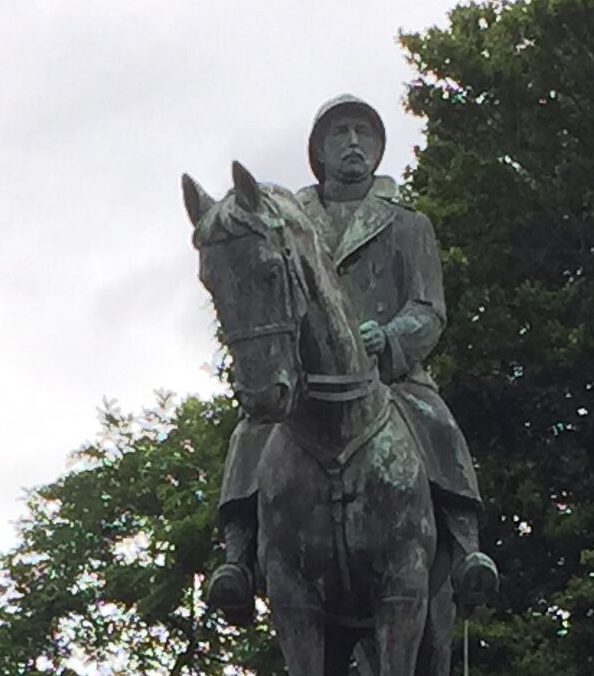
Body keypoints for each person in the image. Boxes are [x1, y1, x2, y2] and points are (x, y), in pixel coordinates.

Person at [207, 95, 499, 620]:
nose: (353, 144)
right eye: (340, 134)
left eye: (363, 134)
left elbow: (428, 308)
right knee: (252, 430)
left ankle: (465, 546)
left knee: (438, 424)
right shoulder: (290, 222)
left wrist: (388, 338)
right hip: (307, 379)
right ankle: (237, 558)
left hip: (390, 375)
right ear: (319, 150)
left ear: (379, 149)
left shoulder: (409, 225)